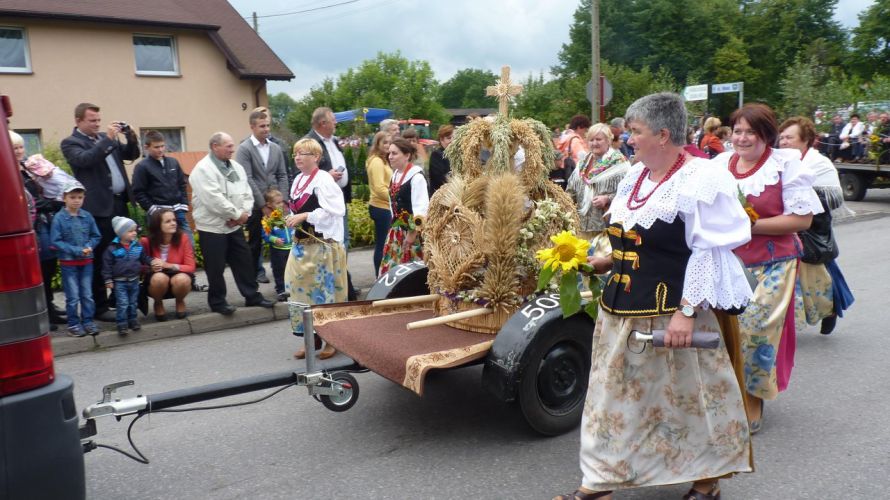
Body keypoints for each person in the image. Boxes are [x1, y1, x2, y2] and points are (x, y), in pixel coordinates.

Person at [555, 93, 753, 500]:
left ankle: (706, 479)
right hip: (619, 313)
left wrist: (686, 311)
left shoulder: (700, 178)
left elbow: (708, 250)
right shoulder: (635, 177)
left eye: (635, 132)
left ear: (663, 135)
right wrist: (599, 263)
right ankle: (599, 483)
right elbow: (635, 242)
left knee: (687, 402)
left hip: (671, 315)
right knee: (611, 402)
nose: (628, 139)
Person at [713, 103, 823, 434]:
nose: (742, 138)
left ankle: (753, 396)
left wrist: (748, 225)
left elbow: (802, 219)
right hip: (728, 262)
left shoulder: (785, 165)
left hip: (775, 262)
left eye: (751, 132)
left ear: (767, 135)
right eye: (738, 131)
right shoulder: (720, 164)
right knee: (724, 333)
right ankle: (726, 394)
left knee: (755, 330)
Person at [61, 102, 141, 322]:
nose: (97, 124)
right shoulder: (71, 143)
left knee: (122, 253)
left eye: (98, 120)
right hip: (97, 209)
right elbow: (86, 160)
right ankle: (99, 306)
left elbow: (131, 154)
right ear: (78, 121)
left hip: (119, 204)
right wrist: (108, 139)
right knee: (101, 256)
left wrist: (130, 136)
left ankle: (119, 299)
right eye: (92, 121)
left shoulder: (106, 139)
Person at [778, 117, 854, 335]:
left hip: (813, 228)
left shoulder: (818, 163)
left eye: (789, 137)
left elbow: (835, 197)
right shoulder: (778, 161)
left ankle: (829, 310)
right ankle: (782, 323)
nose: (783, 142)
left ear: (806, 141)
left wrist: (801, 199)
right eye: (781, 137)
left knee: (820, 278)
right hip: (784, 226)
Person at [189, 132, 274, 315]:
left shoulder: (236, 167)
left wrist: (243, 214)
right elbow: (213, 199)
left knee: (244, 261)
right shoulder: (202, 169)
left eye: (232, 145)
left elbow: (246, 193)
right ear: (215, 147)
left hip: (234, 225)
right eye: (228, 146)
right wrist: (236, 214)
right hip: (212, 228)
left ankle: (252, 296)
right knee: (215, 267)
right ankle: (218, 302)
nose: (232, 149)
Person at [285, 138, 348, 360]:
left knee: (323, 293)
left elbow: (335, 210)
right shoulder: (298, 180)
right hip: (302, 246)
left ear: (316, 158)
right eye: (296, 154)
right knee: (299, 291)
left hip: (321, 246)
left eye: (303, 153)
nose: (298, 157)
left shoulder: (323, 180)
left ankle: (332, 339)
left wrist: (305, 216)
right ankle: (311, 338)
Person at [303, 107, 358, 299]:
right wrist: (327, 175)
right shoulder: (309, 143)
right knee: (331, 243)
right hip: (323, 204)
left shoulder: (333, 141)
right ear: (322, 123)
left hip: (338, 199)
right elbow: (304, 173)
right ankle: (335, 284)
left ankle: (342, 281)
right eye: (333, 120)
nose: (336, 123)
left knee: (343, 242)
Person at [14, 132, 67, 328]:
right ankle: (42, 310)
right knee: (40, 268)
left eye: (21, 147)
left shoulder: (28, 168)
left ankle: (49, 305)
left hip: (45, 220)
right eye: (15, 148)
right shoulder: (12, 172)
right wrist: (50, 204)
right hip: (32, 224)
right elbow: (26, 200)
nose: (19, 151)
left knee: (49, 264)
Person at [237, 110, 290, 285]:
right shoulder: (245, 148)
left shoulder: (275, 148)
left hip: (276, 203)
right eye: (262, 126)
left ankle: (282, 275)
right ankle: (255, 275)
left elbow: (282, 175)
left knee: (280, 240)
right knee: (255, 242)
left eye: (267, 125)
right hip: (255, 204)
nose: (266, 129)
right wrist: (262, 205)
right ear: (252, 127)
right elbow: (247, 178)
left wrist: (282, 201)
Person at [50, 181, 102, 337]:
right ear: (64, 198)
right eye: (72, 197)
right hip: (68, 263)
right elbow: (56, 241)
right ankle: (73, 324)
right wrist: (77, 250)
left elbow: (96, 235)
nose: (76, 200)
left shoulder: (87, 216)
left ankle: (88, 321)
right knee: (73, 296)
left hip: (86, 262)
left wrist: (89, 246)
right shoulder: (59, 218)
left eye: (80, 197)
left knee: (87, 294)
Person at [565, 123, 630, 249]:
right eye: (591, 140)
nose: (594, 143)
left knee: (601, 266)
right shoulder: (583, 164)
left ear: (608, 140)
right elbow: (571, 190)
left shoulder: (620, 164)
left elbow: (629, 192)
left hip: (606, 229)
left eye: (598, 139)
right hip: (581, 226)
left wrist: (608, 199)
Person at [131, 130, 193, 246]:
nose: (160, 150)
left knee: (188, 246)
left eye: (162, 146)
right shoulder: (142, 167)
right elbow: (138, 192)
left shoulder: (173, 162)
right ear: (146, 147)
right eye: (156, 147)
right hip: (158, 215)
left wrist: (184, 205)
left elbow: (182, 184)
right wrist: (153, 210)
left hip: (178, 212)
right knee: (162, 248)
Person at [378, 138, 429, 276]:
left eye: (394, 153)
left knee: (412, 272)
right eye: (389, 153)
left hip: (413, 234)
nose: (390, 157)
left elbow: (422, 208)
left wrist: (412, 233)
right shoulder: (395, 175)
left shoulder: (416, 177)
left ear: (407, 155)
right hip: (397, 232)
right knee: (393, 271)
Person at [101, 216, 154, 335]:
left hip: (134, 280)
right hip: (120, 282)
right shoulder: (112, 248)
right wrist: (108, 280)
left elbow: (143, 257)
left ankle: (133, 320)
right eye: (130, 231)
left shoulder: (137, 246)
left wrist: (151, 261)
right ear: (120, 233)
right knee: (123, 303)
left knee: (133, 302)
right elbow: (107, 266)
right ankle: (121, 323)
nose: (134, 233)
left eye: (135, 230)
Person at [141, 209, 196, 321]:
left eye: (174, 220)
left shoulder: (183, 238)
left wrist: (167, 265)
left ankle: (180, 301)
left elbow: (191, 267)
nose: (173, 223)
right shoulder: (146, 241)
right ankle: (158, 303)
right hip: (156, 279)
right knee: (159, 278)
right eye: (168, 221)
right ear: (158, 225)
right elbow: (139, 266)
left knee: (182, 280)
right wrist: (150, 267)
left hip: (178, 274)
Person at [365, 131, 393, 275]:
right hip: (381, 207)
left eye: (390, 142)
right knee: (382, 244)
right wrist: (394, 197)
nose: (388, 146)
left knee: (384, 244)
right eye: (385, 143)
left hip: (384, 206)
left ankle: (382, 274)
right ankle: (379, 275)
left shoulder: (383, 159)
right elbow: (379, 187)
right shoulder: (376, 161)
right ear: (377, 144)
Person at [261, 189, 293, 302]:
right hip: (278, 250)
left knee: (291, 269)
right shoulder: (268, 219)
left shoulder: (288, 214)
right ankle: (281, 290)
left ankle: (292, 289)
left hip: (291, 248)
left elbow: (293, 226)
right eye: (277, 203)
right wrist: (274, 239)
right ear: (269, 204)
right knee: (279, 270)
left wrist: (295, 234)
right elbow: (265, 235)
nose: (281, 205)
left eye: (281, 202)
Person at [554, 115, 591, 189]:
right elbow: (583, 157)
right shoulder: (575, 141)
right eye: (585, 129)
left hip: (564, 171)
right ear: (579, 127)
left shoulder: (567, 137)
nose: (586, 132)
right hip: (574, 173)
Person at [428, 125, 453, 196]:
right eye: (449, 138)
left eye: (453, 138)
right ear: (441, 140)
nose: (452, 140)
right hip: (440, 196)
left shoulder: (455, 155)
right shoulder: (436, 155)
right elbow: (440, 179)